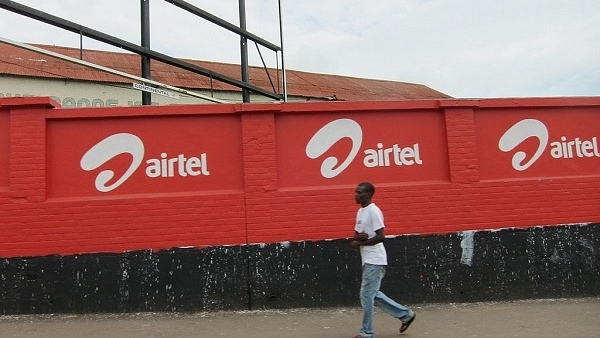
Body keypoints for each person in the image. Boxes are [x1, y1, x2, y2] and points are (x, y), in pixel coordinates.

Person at [351, 182, 415, 337]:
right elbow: (356, 234)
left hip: (375, 259)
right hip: (367, 259)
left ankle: (367, 333)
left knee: (367, 295)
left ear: (368, 194)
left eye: (359, 192)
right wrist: (358, 237)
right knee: (372, 294)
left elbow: (381, 237)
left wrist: (360, 242)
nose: (356, 195)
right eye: (356, 192)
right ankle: (405, 315)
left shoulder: (374, 211)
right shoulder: (360, 211)